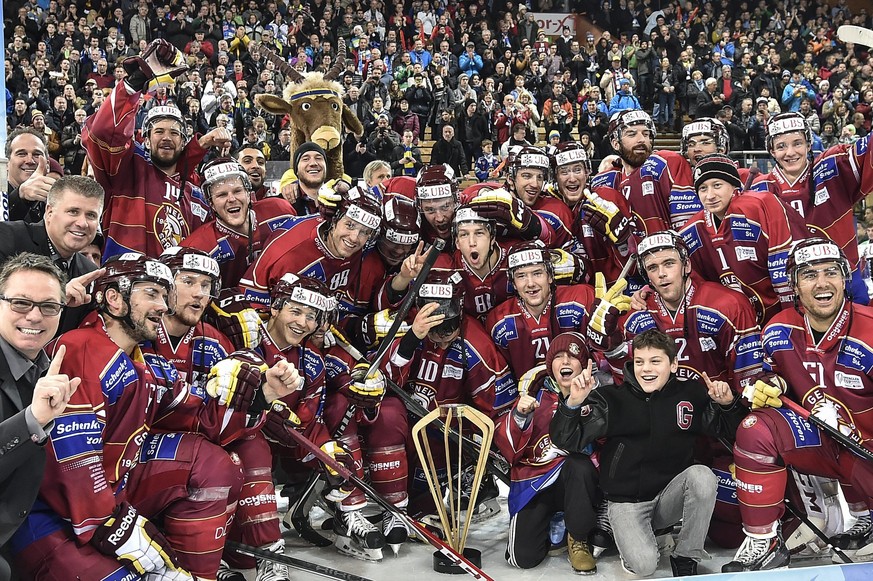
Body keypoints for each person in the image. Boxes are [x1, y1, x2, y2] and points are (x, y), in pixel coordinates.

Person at [11, 253, 298, 580]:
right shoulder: (82, 350)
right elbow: (72, 459)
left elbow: (194, 412)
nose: (163, 305)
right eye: (151, 293)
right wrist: (117, 527)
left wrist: (263, 394)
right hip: (49, 517)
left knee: (214, 464)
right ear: (115, 299)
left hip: (106, 502)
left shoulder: (137, 365)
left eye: (164, 295)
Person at [723, 238, 873, 572]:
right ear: (794, 285)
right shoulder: (778, 328)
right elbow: (772, 374)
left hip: (866, 452)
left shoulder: (870, 331)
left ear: (845, 279)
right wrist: (769, 383)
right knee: (755, 428)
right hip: (822, 442)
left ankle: (867, 517)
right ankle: (764, 540)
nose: (822, 282)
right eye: (809, 274)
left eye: (831, 271)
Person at [551, 328, 746, 577]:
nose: (646, 369)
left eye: (655, 361)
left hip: (667, 498)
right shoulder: (611, 399)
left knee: (702, 476)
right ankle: (634, 538)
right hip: (626, 503)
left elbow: (730, 430)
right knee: (644, 567)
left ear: (673, 364)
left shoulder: (691, 394)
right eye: (640, 362)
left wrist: (727, 404)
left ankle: (686, 555)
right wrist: (573, 404)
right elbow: (566, 439)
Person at [83, 39, 233, 259]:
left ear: (183, 142)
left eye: (174, 133)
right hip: (125, 283)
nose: (166, 138)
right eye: (159, 132)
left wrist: (200, 146)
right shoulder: (125, 170)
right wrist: (135, 84)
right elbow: (104, 133)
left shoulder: (196, 195)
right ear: (145, 139)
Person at [0, 254, 78, 579]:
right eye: (20, 303)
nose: (34, 316)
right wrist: (32, 420)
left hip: (31, 525)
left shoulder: (55, 372)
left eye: (49, 306)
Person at [495, 333, 599, 573]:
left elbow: (604, 446)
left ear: (583, 364)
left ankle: (578, 536)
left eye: (573, 357)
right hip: (535, 484)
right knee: (523, 558)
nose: (565, 362)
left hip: (577, 485)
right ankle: (555, 524)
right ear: (549, 364)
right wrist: (520, 417)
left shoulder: (596, 396)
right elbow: (508, 452)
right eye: (559, 357)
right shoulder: (534, 395)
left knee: (578, 464)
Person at [749, 112, 873, 305]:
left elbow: (867, 149)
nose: (790, 153)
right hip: (792, 289)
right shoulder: (758, 189)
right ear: (771, 151)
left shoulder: (833, 167)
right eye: (781, 146)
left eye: (797, 143)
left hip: (845, 280)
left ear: (809, 144)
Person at [679, 154, 807, 325]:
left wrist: (794, 315)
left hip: (782, 315)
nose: (710, 195)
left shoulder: (760, 205)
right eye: (702, 188)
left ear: (734, 186)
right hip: (737, 321)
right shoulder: (691, 230)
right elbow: (684, 278)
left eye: (717, 185)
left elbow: (785, 265)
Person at [0, 176, 104, 335]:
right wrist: (56, 298)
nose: (82, 223)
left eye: (91, 215)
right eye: (73, 211)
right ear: (49, 212)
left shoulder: (88, 272)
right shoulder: (6, 238)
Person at [181, 158, 296, 290]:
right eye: (222, 195)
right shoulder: (199, 246)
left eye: (237, 191)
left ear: (248, 194)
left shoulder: (280, 211)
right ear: (211, 203)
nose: (231, 199)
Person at [4, 127, 56, 223]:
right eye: (21, 154)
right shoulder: (2, 195)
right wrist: (19, 195)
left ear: (47, 165)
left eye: (37, 154)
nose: (30, 161)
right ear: (7, 163)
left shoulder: (56, 199)